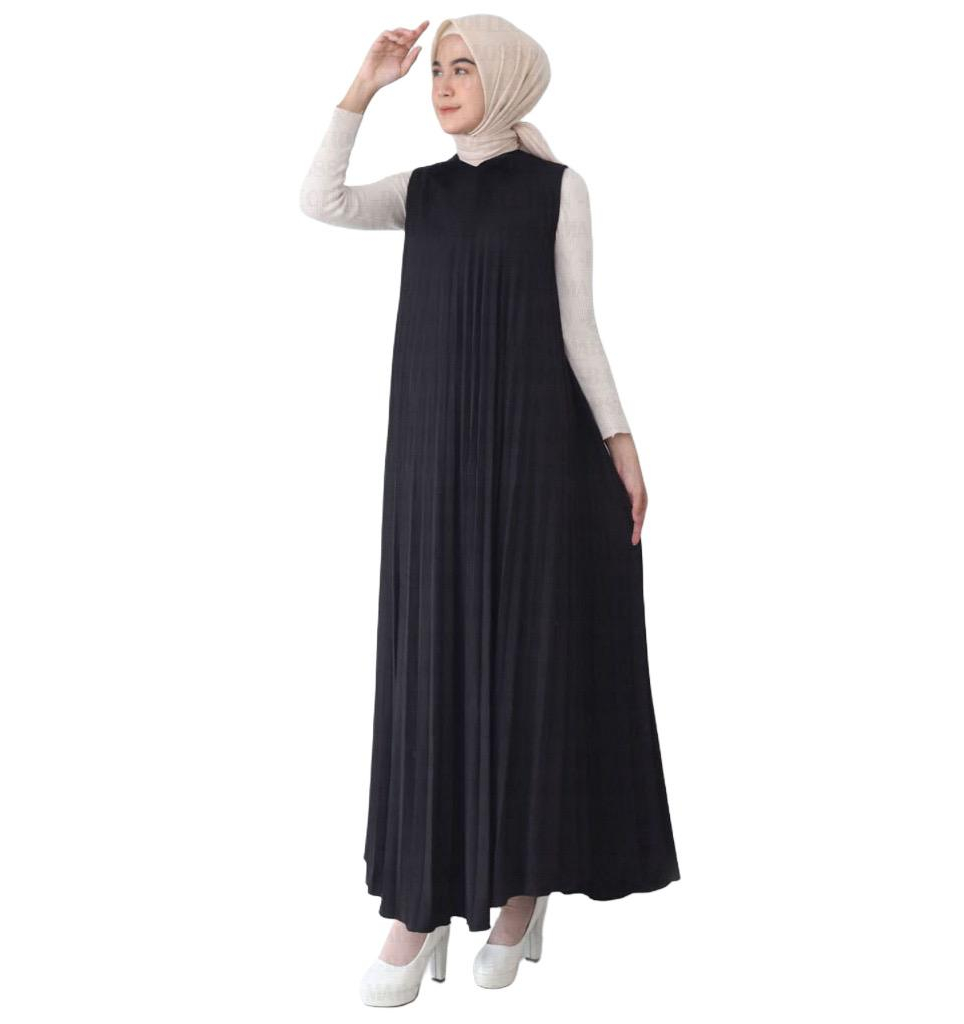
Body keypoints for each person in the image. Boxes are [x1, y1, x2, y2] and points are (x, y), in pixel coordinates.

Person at [299, 15, 680, 1007]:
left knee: (525, 669)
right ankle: (419, 902)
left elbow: (578, 325)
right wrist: (363, 86)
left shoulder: (558, 189)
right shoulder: (421, 192)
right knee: (433, 667)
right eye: (437, 68)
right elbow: (320, 198)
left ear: (507, 77)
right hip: (432, 470)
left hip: (537, 465)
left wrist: (620, 441)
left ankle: (522, 889)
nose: (442, 83)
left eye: (462, 68)